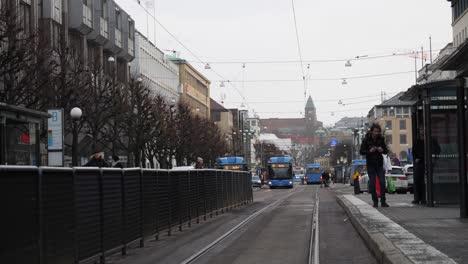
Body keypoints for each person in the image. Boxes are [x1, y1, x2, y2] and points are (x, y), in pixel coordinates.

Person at [360, 123, 389, 208]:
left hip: (379, 164)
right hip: (371, 164)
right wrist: (370, 151)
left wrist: (382, 150)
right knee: (372, 183)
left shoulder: (381, 139)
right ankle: (375, 201)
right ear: (372, 131)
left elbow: (386, 151)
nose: (377, 133)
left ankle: (383, 201)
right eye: (375, 131)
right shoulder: (366, 139)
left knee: (382, 182)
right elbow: (361, 151)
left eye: (378, 132)